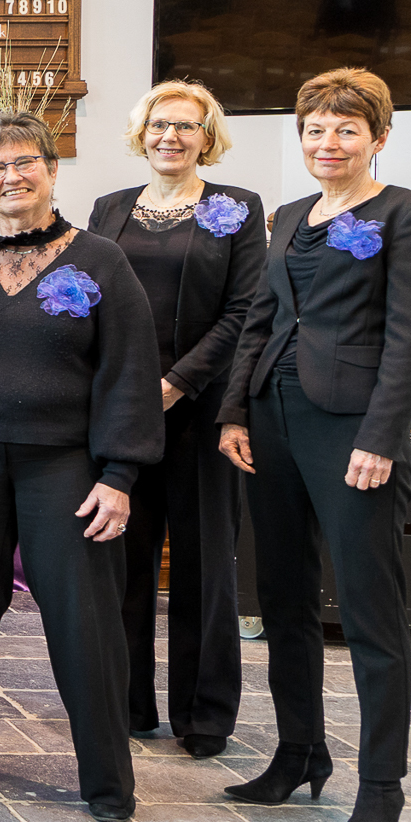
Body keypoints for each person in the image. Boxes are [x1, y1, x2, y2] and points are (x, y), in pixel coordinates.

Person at [0, 110, 164, 822]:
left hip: (65, 469)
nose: (11, 177)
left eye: (24, 163)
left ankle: (107, 781)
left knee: (85, 622)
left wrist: (120, 475)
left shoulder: (101, 260)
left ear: (51, 168)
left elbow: (130, 374)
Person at [218, 68, 411, 822]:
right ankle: (298, 753)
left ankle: (381, 789)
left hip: (352, 430)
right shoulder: (287, 217)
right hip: (272, 424)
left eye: (346, 130)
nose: (327, 143)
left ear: (377, 137)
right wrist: (233, 413)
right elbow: (261, 317)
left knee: (368, 613)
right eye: (315, 129)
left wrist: (381, 437)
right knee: (282, 599)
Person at [87, 80, 266, 758]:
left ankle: (204, 715)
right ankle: (128, 705)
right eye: (160, 124)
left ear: (206, 138)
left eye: (187, 127)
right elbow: (90, 303)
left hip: (201, 415)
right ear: (142, 133)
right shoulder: (108, 209)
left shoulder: (235, 209)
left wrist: (176, 382)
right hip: (120, 412)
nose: (171, 136)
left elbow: (246, 310)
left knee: (203, 570)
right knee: (121, 566)